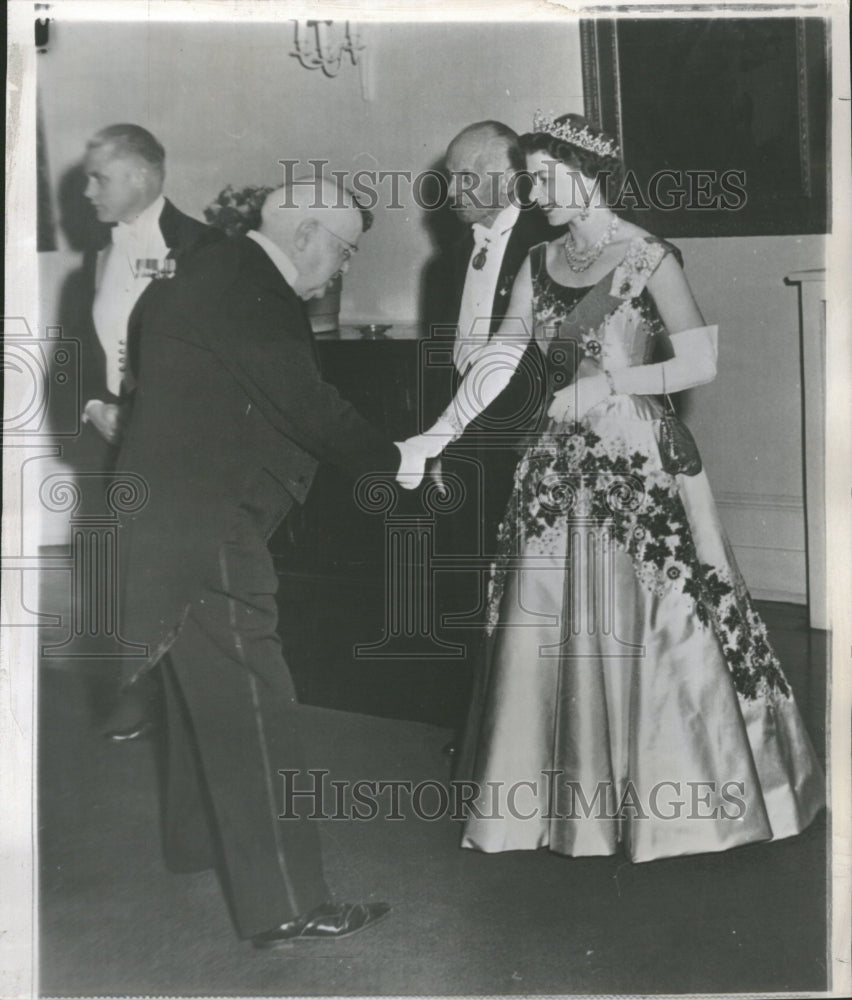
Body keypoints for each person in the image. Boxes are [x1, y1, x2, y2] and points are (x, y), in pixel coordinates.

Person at [399, 112, 824, 862]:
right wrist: (439, 434)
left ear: (586, 173)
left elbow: (701, 362)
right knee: (547, 615)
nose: (532, 193)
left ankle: (681, 797)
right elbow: (503, 359)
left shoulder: (647, 256)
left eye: (543, 178)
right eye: (526, 180)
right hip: (556, 457)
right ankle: (558, 807)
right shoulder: (538, 260)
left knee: (659, 613)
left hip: (634, 453)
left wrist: (611, 385)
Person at [115, 177, 420, 944]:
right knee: (255, 698)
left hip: (167, 516)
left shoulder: (203, 271)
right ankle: (288, 900)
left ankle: (199, 847)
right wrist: (399, 459)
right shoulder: (249, 288)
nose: (342, 268)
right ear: (308, 233)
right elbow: (306, 404)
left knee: (200, 688)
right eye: (345, 250)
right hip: (207, 524)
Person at [77, 123, 222, 741]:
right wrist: (92, 405)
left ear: (139, 176)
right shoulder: (98, 253)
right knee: (109, 568)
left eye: (98, 177)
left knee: (170, 570)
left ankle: (182, 697)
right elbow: (80, 348)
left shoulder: (203, 248)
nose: (87, 191)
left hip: (173, 441)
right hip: (108, 440)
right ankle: (128, 694)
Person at [437, 122, 557, 752]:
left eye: (464, 176)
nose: (450, 190)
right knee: (471, 583)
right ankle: (482, 727)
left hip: (526, 439)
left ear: (508, 176)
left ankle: (526, 738)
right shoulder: (456, 251)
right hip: (468, 443)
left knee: (525, 588)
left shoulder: (551, 240)